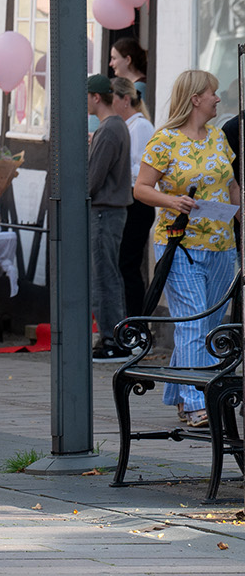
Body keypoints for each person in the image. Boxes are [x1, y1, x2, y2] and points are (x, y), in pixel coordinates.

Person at [132, 69, 240, 428]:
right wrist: (170, 201)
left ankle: (179, 392)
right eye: (213, 93)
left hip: (222, 244)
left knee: (207, 324)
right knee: (192, 320)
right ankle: (196, 403)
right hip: (180, 245)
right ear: (196, 99)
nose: (218, 99)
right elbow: (141, 189)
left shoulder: (218, 138)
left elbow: (233, 186)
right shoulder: (164, 141)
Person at [86, 74, 133, 361]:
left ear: (96, 97)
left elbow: (92, 179)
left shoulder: (110, 129)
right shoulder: (115, 127)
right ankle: (116, 336)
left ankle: (111, 339)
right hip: (110, 211)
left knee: (103, 276)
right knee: (108, 274)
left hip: (104, 211)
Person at [112, 77, 156, 319]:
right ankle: (129, 320)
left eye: (112, 98)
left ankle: (135, 322)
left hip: (137, 202)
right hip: (129, 201)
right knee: (123, 264)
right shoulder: (128, 126)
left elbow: (140, 170)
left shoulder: (140, 127)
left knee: (128, 265)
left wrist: (114, 168)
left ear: (125, 100)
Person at [109, 37, 149, 102]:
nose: (110, 64)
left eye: (114, 58)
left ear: (128, 60)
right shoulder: (134, 86)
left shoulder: (139, 88)